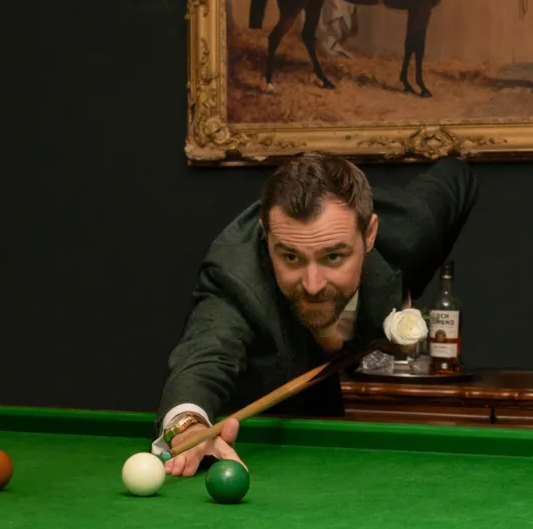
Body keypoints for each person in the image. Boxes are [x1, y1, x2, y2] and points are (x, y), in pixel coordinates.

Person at [152, 153, 478, 476]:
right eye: (291, 257)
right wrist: (187, 426)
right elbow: (204, 357)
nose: (312, 285)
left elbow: (459, 176)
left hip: (322, 404)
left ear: (369, 235)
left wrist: (408, 291)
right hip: (250, 433)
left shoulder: (411, 227)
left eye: (333, 256)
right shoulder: (236, 276)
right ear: (267, 236)